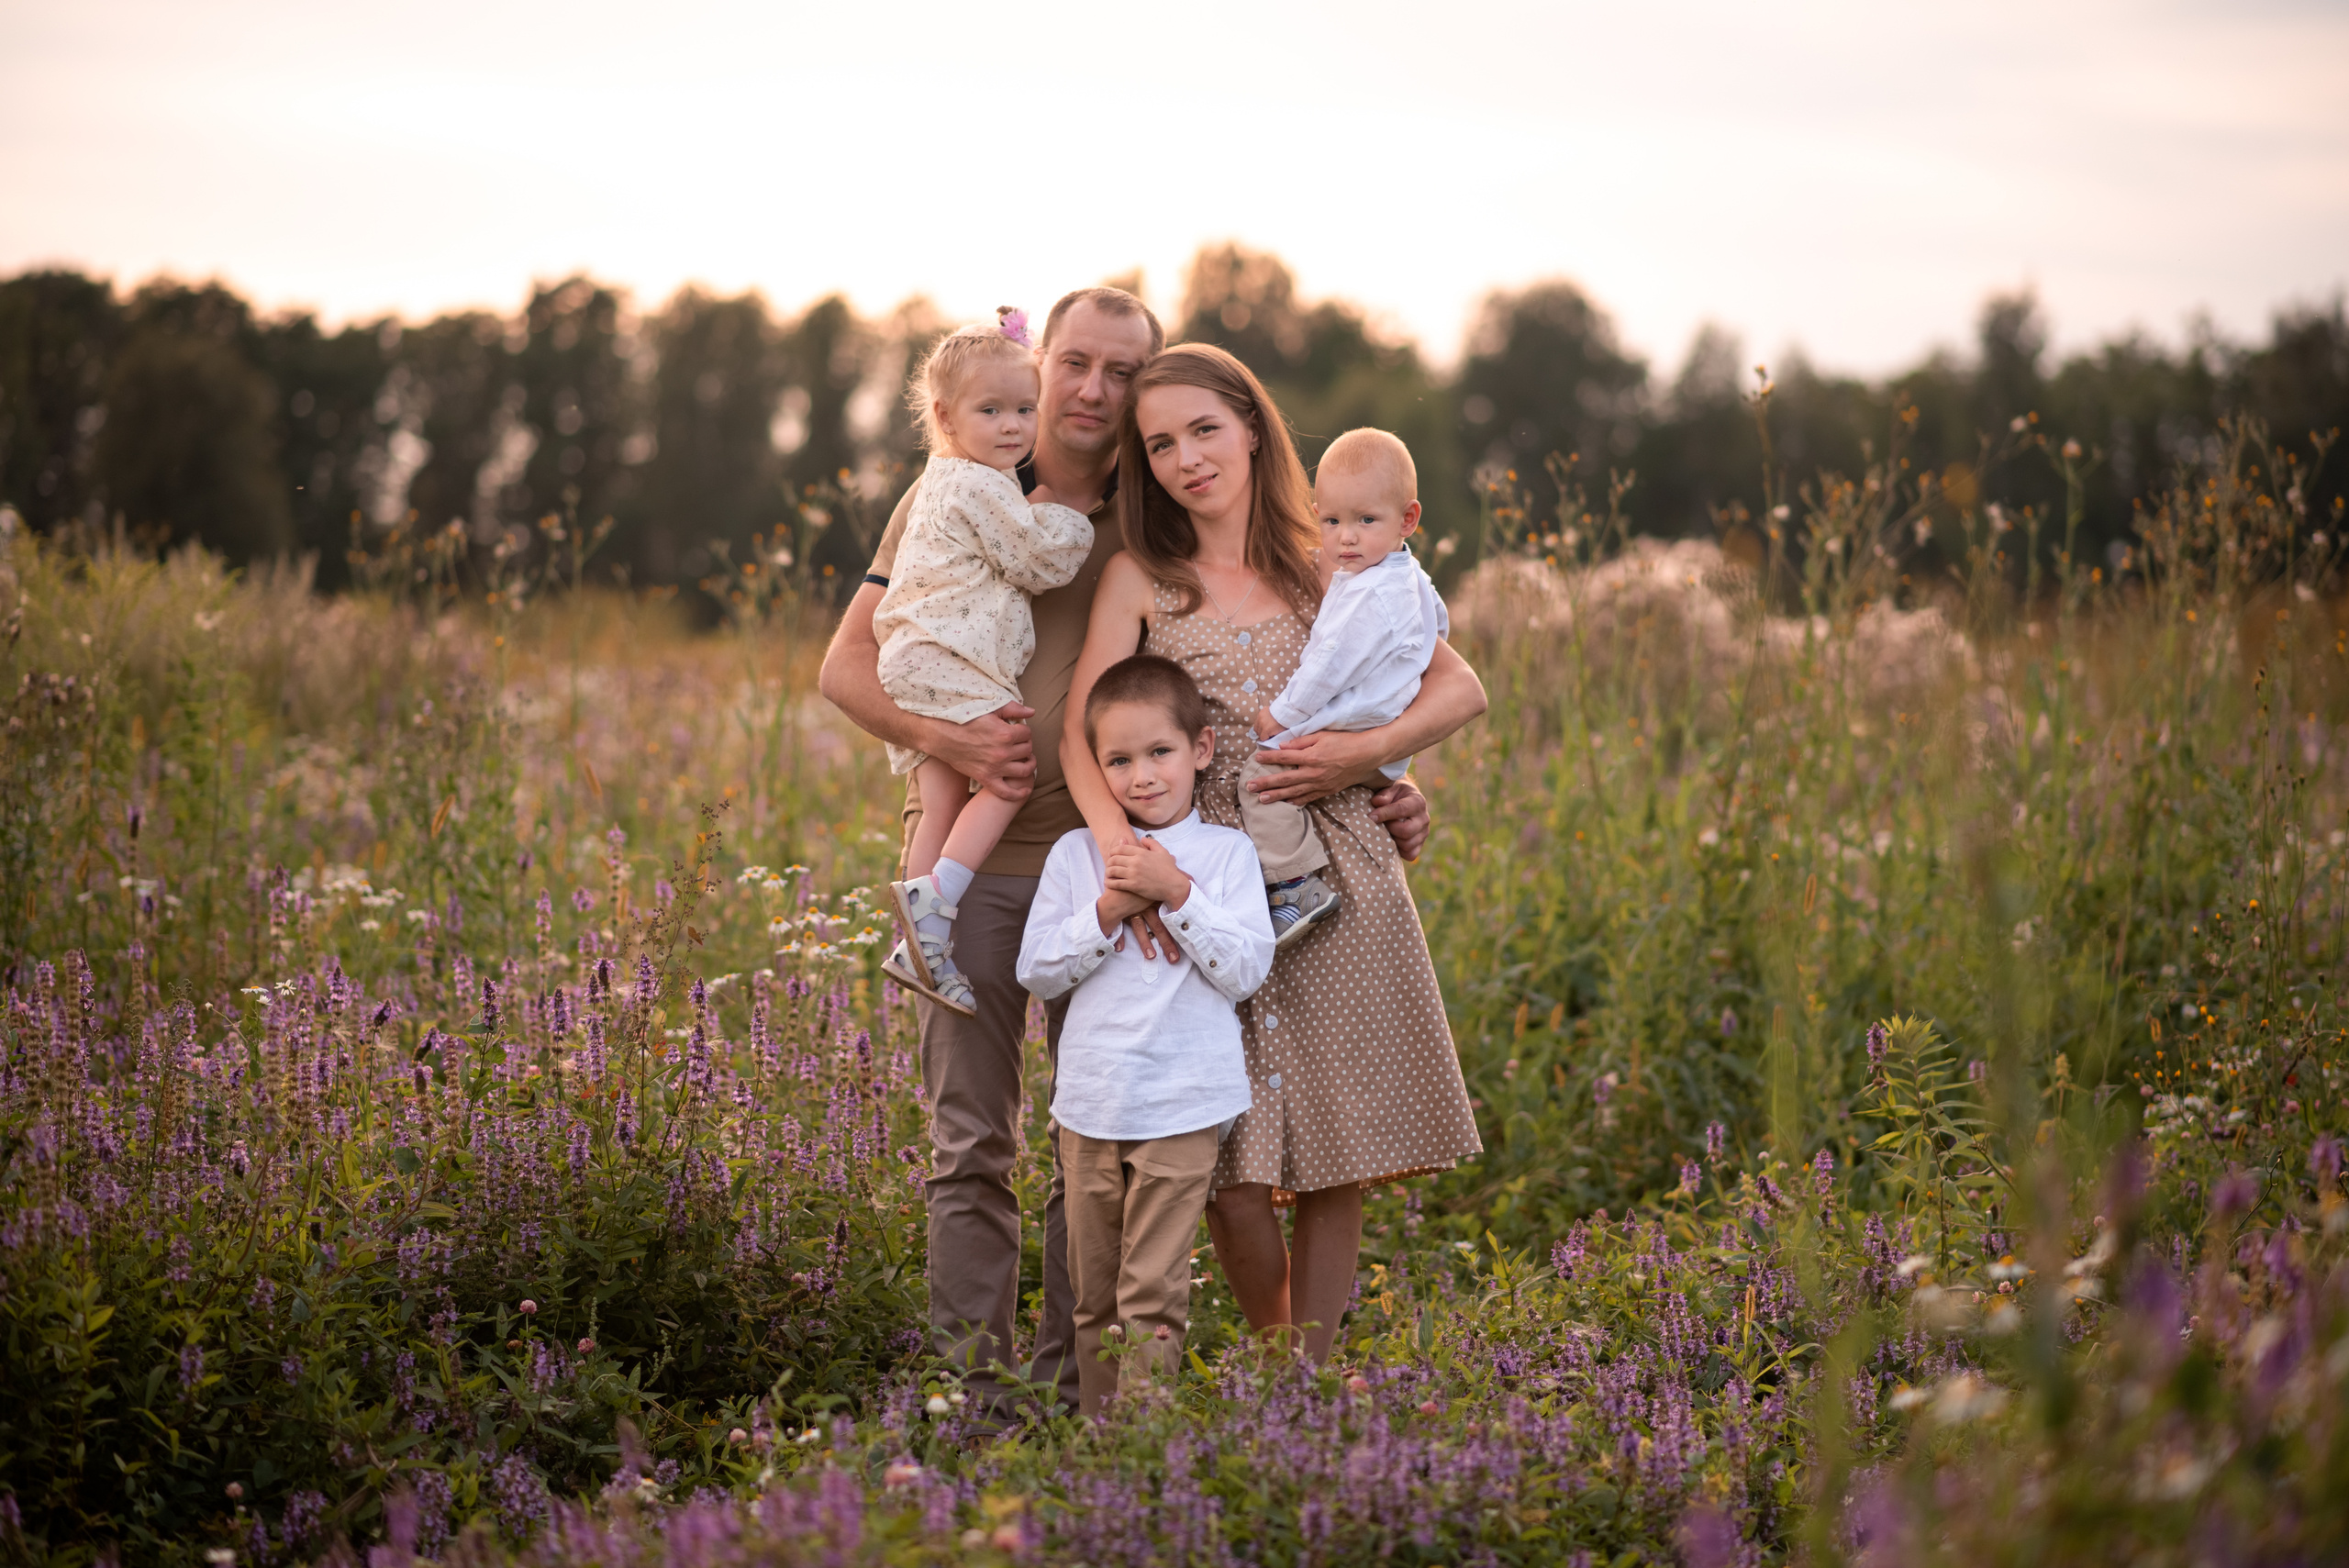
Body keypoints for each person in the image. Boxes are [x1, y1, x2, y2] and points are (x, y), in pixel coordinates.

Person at [817, 288, 1470, 1415]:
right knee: (973, 1138)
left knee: (1116, 1136)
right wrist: (946, 737)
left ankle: (1088, 1390)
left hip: (1144, 870)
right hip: (1002, 852)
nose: (1097, 393)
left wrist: (1385, 782)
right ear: (1049, 364)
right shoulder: (961, 486)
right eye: (1078, 364)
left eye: (1128, 378)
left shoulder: (1152, 518)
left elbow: (1392, 672)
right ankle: (979, 1400)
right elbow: (844, 667)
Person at [1061, 342, 1486, 1367]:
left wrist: (1376, 760)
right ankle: (1282, 1359)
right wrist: (1128, 860)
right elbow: (1081, 731)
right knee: (1227, 1165)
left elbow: (1456, 686)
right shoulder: (1141, 578)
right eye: (1159, 443)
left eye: (1204, 429)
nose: (1185, 458)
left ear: (1252, 425)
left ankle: (1308, 1389)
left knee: (1332, 1156)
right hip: (1201, 875)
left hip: (1330, 868)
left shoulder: (1331, 552)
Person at [1016, 654, 1272, 1415]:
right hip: (1091, 1104)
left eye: (1159, 752)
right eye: (1118, 761)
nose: (1141, 776)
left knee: (1150, 1292)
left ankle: (1143, 1447)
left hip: (1184, 1103)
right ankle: (1102, 1443)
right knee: (1093, 1292)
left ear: (1201, 749)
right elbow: (1037, 968)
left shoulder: (1227, 856)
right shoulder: (1076, 855)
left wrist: (1175, 894)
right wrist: (1108, 910)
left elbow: (1246, 968)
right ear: (1096, 770)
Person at [874, 308, 1097, 1016]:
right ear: (945, 416)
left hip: (920, 661)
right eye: (991, 409)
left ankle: (915, 944)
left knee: (940, 804)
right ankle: (935, 912)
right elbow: (1037, 559)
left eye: (1024, 409)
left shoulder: (951, 477)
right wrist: (1061, 512)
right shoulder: (978, 484)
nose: (1012, 426)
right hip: (950, 662)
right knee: (1007, 775)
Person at [1239, 428, 1449, 949]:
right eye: (1331, 521)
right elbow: (1438, 625)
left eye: (1365, 521)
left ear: (1408, 519)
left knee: (1261, 778)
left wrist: (1284, 714)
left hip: (1357, 717)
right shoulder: (1407, 575)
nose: (1346, 538)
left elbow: (1328, 664)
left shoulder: (1365, 595)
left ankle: (1295, 887)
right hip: (1385, 722)